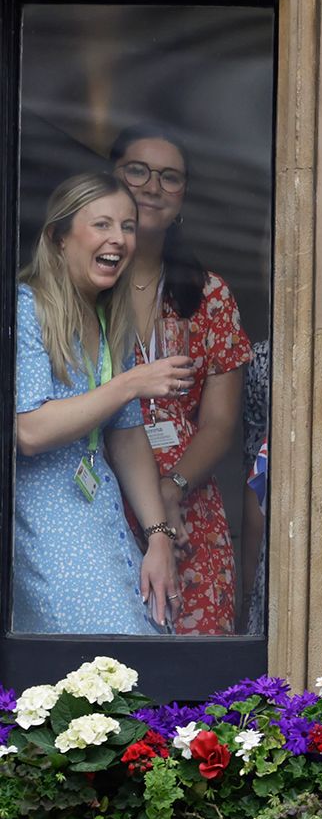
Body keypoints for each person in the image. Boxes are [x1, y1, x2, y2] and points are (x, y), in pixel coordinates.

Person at [12, 173, 189, 633]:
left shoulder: (108, 318)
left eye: (128, 227)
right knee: (103, 666)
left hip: (100, 511)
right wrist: (130, 383)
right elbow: (29, 431)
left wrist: (158, 538)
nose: (119, 239)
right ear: (58, 237)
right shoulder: (24, 307)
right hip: (47, 523)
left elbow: (127, 436)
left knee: (144, 646)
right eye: (102, 225)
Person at [109, 125, 251, 636]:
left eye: (170, 178)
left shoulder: (210, 295)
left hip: (188, 503)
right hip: (102, 494)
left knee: (200, 669)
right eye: (137, 170)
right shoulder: (88, 284)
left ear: (184, 195)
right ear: (111, 179)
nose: (152, 187)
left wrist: (172, 486)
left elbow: (219, 422)